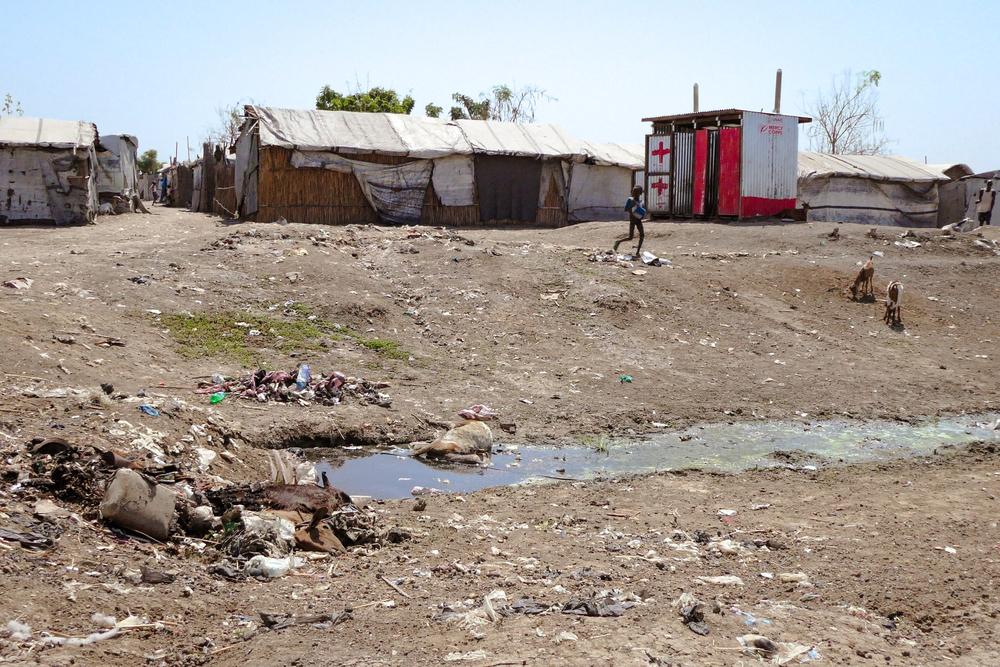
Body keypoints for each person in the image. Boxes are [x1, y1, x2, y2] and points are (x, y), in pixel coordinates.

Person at [614, 185, 646, 255]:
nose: (635, 194)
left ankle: (637, 252)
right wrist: (633, 209)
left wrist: (641, 214)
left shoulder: (640, 201)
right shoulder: (630, 200)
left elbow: (643, 211)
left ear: (640, 193)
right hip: (633, 219)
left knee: (642, 235)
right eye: (634, 192)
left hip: (638, 220)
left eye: (637, 192)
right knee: (630, 237)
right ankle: (618, 242)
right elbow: (626, 209)